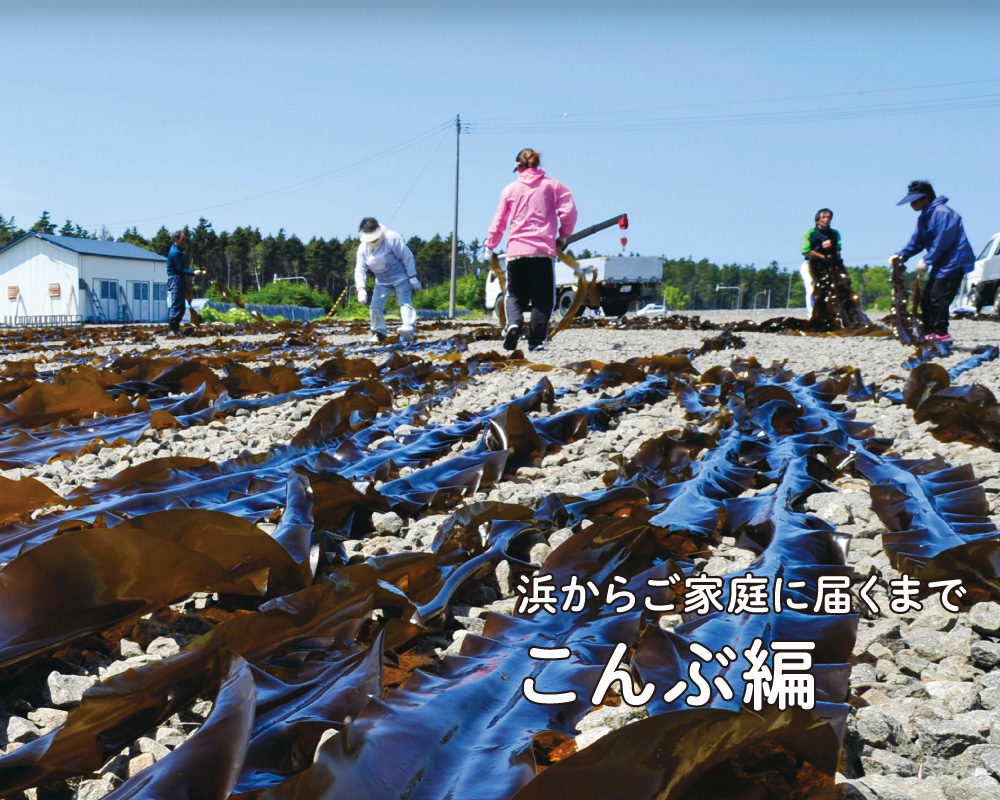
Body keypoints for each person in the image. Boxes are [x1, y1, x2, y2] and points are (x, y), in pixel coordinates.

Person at [484, 148, 577, 352]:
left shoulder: (509, 190)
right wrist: (563, 236)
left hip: (516, 252)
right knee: (543, 299)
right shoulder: (553, 186)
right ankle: (536, 342)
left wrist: (490, 247)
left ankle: (514, 324)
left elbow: (499, 222)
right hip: (543, 252)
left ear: (518, 167)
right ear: (537, 164)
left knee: (514, 295)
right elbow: (569, 212)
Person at [889, 180, 974, 343]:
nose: (912, 204)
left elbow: (943, 240)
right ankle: (929, 332)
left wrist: (927, 259)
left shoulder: (944, 213)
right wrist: (902, 255)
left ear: (926, 198)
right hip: (940, 263)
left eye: (915, 201)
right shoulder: (924, 217)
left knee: (938, 298)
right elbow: (917, 241)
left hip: (954, 261)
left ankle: (941, 333)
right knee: (926, 298)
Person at [354, 217, 421, 344]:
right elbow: (360, 269)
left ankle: (409, 329)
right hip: (381, 282)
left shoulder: (391, 238)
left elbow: (407, 257)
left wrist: (412, 277)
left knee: (404, 303)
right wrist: (361, 289)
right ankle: (379, 333)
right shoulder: (363, 248)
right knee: (375, 307)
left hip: (400, 278)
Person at [800, 208, 841, 316]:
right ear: (818, 219)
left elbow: (838, 250)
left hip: (828, 265)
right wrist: (821, 251)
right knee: (812, 289)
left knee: (832, 290)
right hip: (810, 264)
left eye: (828, 217)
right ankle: (811, 315)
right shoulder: (810, 233)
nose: (826, 220)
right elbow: (806, 251)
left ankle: (829, 315)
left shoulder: (835, 234)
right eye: (823, 217)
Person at [166, 230, 200, 335]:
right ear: (176, 239)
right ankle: (172, 329)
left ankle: (176, 328)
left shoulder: (177, 250)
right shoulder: (175, 252)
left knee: (181, 305)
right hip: (176, 279)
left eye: (185, 239)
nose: (184, 241)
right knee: (176, 304)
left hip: (178, 278)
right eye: (183, 239)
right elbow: (180, 269)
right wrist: (193, 272)